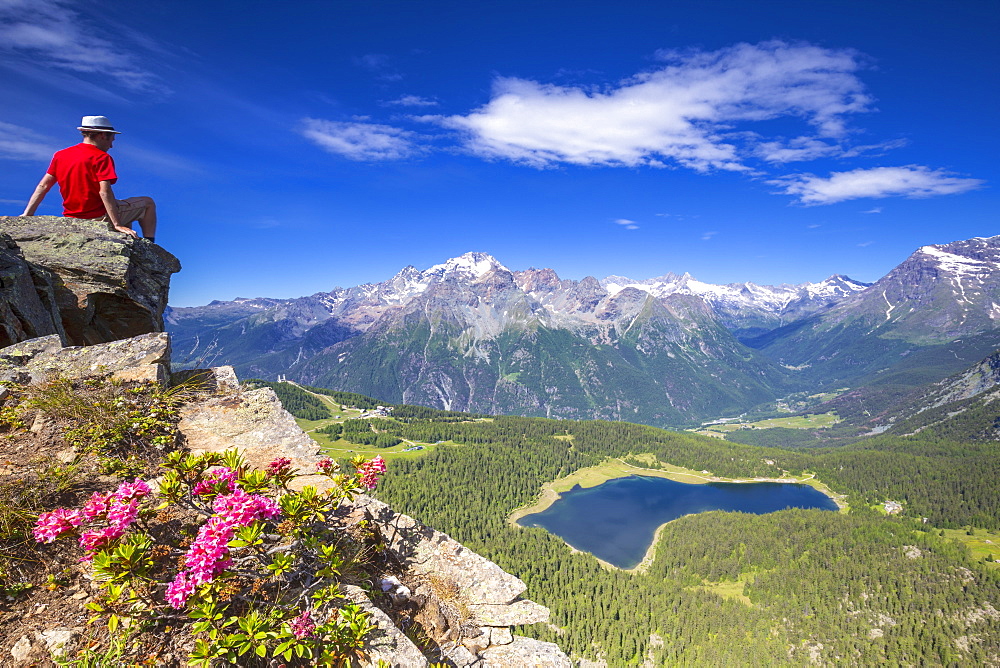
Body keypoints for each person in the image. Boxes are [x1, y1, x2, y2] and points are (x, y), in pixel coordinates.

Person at [22, 115, 157, 243]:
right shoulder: (101, 158)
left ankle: (129, 241)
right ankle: (151, 246)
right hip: (98, 217)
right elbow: (104, 192)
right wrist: (117, 224)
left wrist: (27, 214)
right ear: (103, 135)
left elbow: (43, 186)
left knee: (123, 207)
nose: (111, 146)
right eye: (111, 140)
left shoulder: (60, 155)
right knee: (148, 202)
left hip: (72, 217)